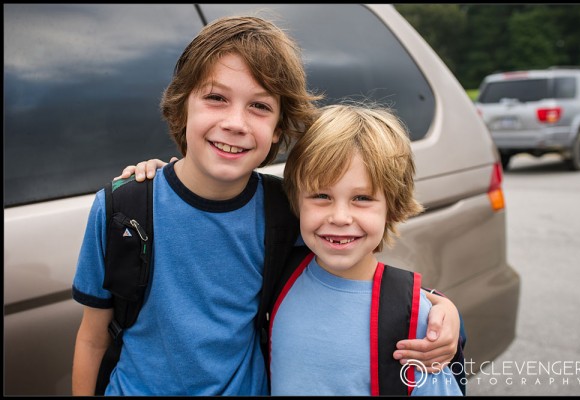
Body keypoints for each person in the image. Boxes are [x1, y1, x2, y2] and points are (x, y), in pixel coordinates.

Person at [75, 14, 460, 396]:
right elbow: (92, 340)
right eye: (215, 98)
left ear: (278, 127)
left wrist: (438, 307)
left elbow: (349, 275)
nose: (235, 123)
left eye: (259, 106)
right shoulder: (122, 209)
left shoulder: (284, 211)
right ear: (182, 105)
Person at [271, 102, 463, 395]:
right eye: (321, 195)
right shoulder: (277, 272)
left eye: (362, 198)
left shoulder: (416, 318)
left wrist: (437, 306)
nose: (339, 217)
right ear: (296, 201)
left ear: (393, 206)